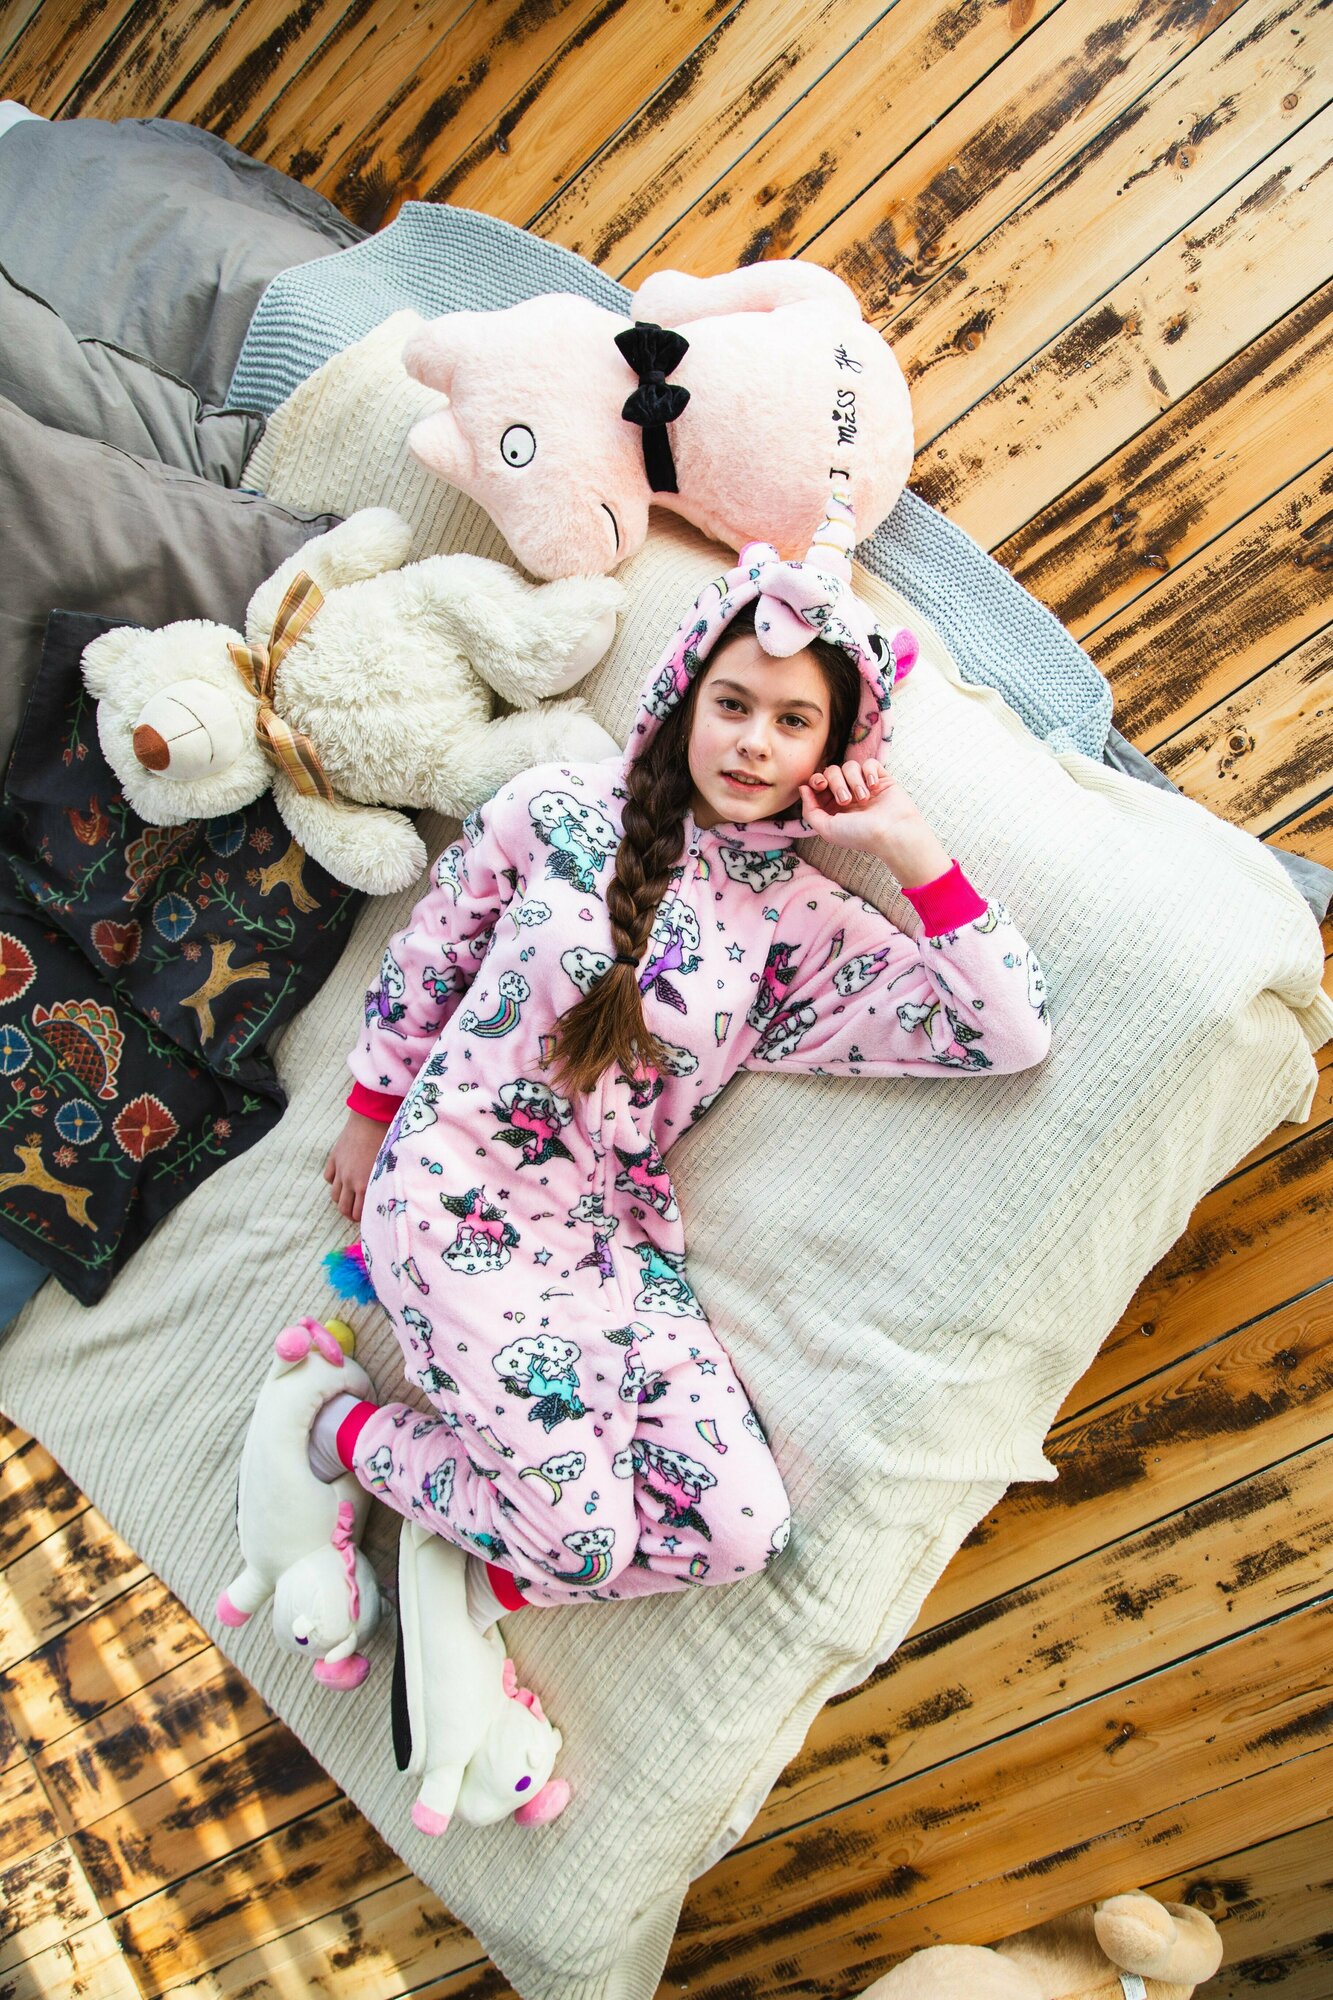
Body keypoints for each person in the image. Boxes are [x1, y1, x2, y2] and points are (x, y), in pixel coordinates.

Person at [302, 503, 1053, 1636]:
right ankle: (347, 1434)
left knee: (740, 1530)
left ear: (831, 752)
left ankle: (492, 1571)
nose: (753, 742)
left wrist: (908, 846)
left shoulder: (802, 928)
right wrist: (369, 1107)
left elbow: (1007, 1030)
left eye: (793, 722)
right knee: (587, 1537)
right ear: (687, 698)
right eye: (733, 704)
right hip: (451, 1202)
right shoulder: (555, 804)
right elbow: (433, 947)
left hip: (610, 1247)